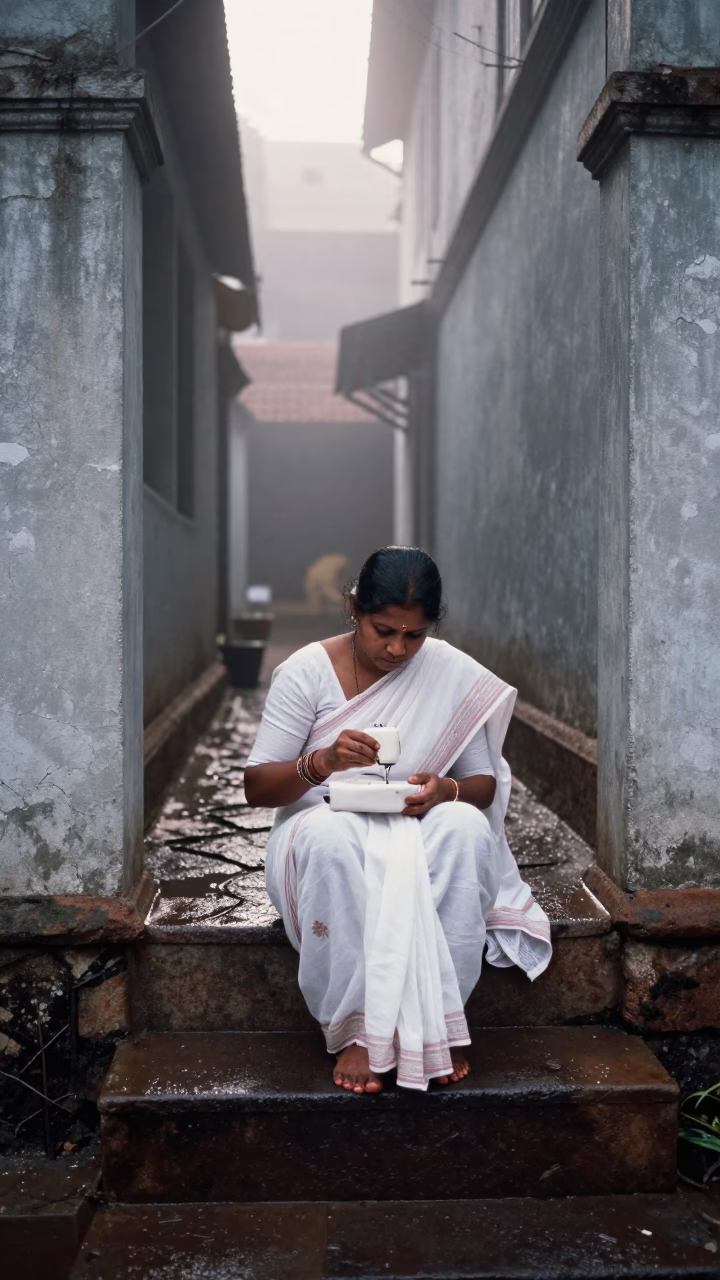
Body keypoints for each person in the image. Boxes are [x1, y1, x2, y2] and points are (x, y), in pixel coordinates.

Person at [245, 547, 551, 1094]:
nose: (397, 649)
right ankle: (355, 1029)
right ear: (354, 608)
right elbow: (258, 787)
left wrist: (444, 790)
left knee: (466, 830)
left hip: (415, 824)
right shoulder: (307, 673)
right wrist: (323, 762)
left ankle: (441, 1019)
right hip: (323, 823)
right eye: (383, 630)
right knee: (331, 836)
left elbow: (481, 785)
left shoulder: (447, 671)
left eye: (415, 636)